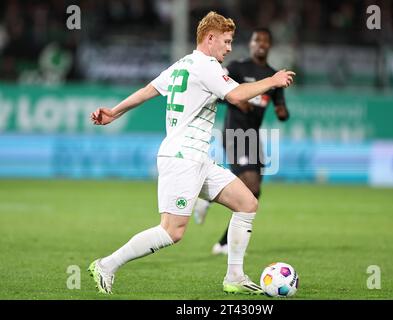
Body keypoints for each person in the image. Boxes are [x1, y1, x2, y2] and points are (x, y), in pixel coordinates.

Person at [88, 11, 295, 295]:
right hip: (182, 158)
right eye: (226, 40)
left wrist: (115, 111)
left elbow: (149, 90)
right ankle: (107, 265)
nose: (229, 47)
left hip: (199, 159)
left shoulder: (183, 64)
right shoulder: (206, 66)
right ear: (210, 38)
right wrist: (272, 80)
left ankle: (235, 276)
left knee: (247, 203)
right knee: (172, 231)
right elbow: (236, 96)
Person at [193, 28, 289, 256]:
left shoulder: (272, 76)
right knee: (251, 186)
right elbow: (215, 93)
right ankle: (208, 200)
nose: (261, 44)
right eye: (257, 40)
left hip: (253, 137)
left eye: (265, 40)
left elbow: (280, 108)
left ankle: (223, 240)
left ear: (270, 45)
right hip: (235, 134)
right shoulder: (237, 68)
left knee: (253, 193)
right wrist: (237, 101)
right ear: (251, 44)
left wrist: (282, 110)